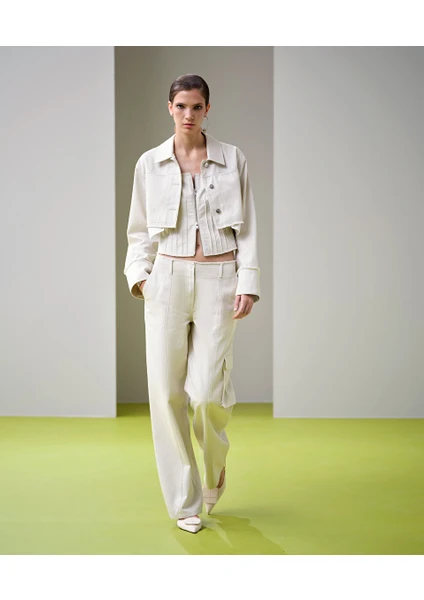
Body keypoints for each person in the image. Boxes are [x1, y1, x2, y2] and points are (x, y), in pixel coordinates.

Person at [123, 74, 261, 534]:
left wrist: (248, 280)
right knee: (166, 394)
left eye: (196, 107)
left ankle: (215, 465)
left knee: (205, 394)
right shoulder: (150, 163)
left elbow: (248, 227)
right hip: (166, 280)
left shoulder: (232, 159)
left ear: (207, 109)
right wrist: (141, 278)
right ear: (169, 107)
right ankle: (185, 503)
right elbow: (138, 229)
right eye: (180, 106)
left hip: (219, 280)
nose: (188, 114)